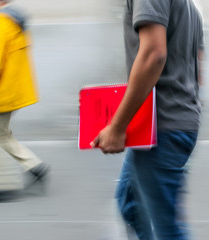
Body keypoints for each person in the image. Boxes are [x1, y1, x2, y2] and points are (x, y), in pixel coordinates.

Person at [91, 0, 204, 239]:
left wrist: (118, 126)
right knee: (130, 205)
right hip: (173, 122)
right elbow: (198, 67)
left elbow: (154, 54)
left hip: (162, 127)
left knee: (167, 230)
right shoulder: (192, 6)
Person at [0, 0, 49, 202]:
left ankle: (1, 187)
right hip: (12, 91)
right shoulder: (15, 22)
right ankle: (35, 166)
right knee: (2, 135)